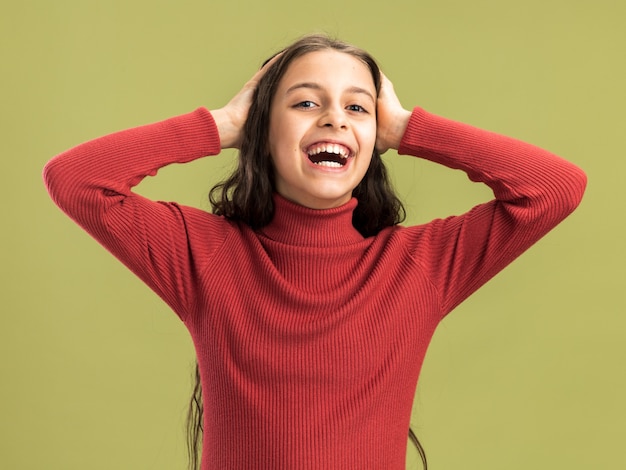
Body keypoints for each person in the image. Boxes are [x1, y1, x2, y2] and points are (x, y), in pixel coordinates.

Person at [43, 34, 587, 470]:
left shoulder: (419, 265)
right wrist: (224, 124)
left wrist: (408, 127)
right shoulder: (203, 253)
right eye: (306, 102)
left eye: (358, 107)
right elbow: (75, 181)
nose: (335, 118)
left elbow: (555, 188)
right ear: (262, 128)